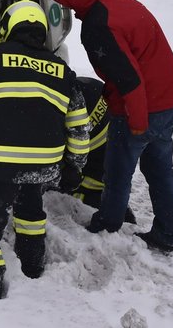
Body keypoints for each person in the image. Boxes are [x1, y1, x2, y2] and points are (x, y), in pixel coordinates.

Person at [0, 0, 90, 298]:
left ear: (8, 27)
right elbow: (79, 124)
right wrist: (75, 167)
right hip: (44, 163)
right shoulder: (62, 70)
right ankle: (33, 264)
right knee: (30, 206)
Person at [52, 0, 173, 253]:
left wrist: (137, 121)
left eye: (66, 1)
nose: (67, 8)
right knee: (160, 172)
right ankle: (167, 233)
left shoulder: (98, 25)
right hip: (168, 101)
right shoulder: (123, 3)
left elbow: (129, 79)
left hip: (140, 107)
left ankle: (107, 224)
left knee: (117, 173)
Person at [56, 76, 137, 225]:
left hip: (100, 144)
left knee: (77, 186)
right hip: (108, 122)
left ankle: (114, 218)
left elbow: (74, 143)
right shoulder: (69, 87)